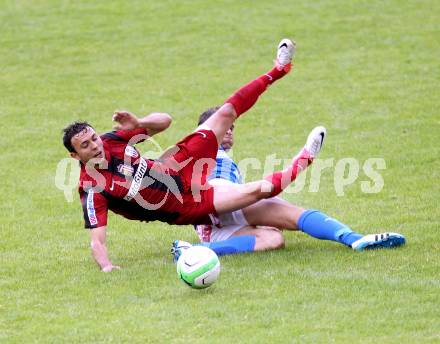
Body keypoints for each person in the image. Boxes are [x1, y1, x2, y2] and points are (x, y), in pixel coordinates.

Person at [62, 39, 404, 272]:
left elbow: (164, 121)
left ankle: (277, 70)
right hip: (187, 205)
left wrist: (138, 123)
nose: (96, 144)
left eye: (94, 136)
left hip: (179, 169)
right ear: (77, 155)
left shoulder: (113, 140)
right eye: (88, 145)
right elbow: (97, 236)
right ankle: (304, 160)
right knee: (259, 195)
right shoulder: (92, 187)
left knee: (225, 111)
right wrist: (107, 266)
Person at [171, 108, 406, 260]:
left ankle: (356, 240)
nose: (230, 132)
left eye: (233, 128)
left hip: (227, 212)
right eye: (226, 128)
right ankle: (302, 162)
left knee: (274, 239)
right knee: (270, 196)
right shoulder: (200, 150)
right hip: (212, 215)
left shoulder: (220, 156)